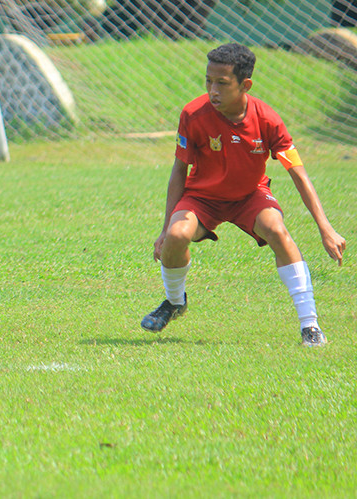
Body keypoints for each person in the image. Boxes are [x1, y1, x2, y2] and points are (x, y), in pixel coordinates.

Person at [144, 42, 346, 346]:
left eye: (222, 83)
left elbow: (298, 173)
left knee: (277, 230)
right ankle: (174, 302)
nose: (213, 90)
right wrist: (164, 229)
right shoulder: (192, 114)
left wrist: (325, 227)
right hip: (202, 198)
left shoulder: (267, 119)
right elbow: (178, 170)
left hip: (249, 196)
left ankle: (310, 325)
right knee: (176, 235)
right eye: (208, 81)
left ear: (245, 85)